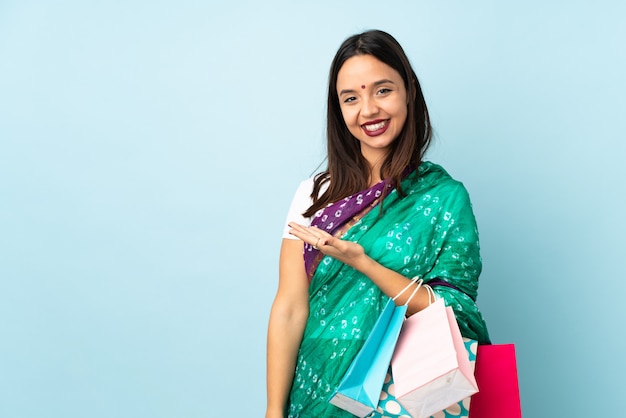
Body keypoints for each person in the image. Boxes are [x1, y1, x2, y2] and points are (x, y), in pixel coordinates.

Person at [266, 30, 490, 418]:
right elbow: (289, 308)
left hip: (405, 394)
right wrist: (273, 410)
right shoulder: (313, 196)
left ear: (409, 92)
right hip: (317, 389)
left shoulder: (443, 198)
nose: (367, 110)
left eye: (382, 91)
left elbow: (451, 310)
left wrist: (363, 262)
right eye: (350, 98)